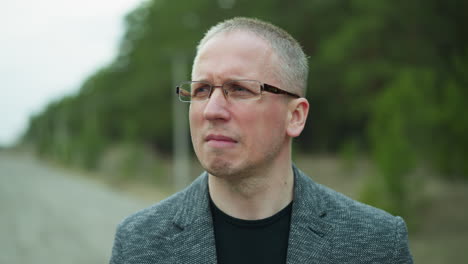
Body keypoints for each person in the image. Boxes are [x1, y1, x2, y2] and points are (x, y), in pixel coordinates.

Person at [109, 17, 413, 264]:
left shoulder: (377, 243)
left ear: (295, 116)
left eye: (239, 89)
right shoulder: (139, 242)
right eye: (201, 90)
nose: (212, 110)